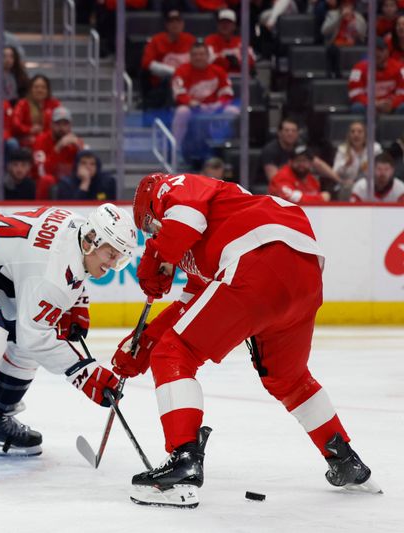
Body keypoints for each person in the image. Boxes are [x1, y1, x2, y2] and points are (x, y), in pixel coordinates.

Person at [116, 171, 380, 508]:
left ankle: (183, 462)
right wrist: (146, 341)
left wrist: (156, 252)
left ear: (152, 205)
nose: (155, 232)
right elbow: (192, 307)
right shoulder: (212, 236)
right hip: (303, 272)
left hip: (257, 258)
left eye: (152, 225)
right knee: (289, 379)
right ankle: (344, 459)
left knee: (173, 355)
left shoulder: (173, 187)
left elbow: (185, 221)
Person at [0, 203, 137, 481]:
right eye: (110, 253)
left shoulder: (79, 230)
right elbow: (35, 336)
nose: (113, 264)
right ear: (92, 240)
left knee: (31, 337)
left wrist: (77, 302)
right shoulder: (52, 274)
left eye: (119, 257)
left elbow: (62, 269)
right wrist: (85, 374)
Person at [170, 42, 239, 159]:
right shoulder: (181, 71)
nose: (198, 57)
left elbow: (227, 93)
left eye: (201, 54)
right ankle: (175, 151)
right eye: (195, 54)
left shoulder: (218, 71)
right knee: (182, 111)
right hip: (193, 109)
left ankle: (227, 147)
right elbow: (179, 93)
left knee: (233, 111)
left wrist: (218, 105)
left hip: (215, 109)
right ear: (190, 56)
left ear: (208, 56)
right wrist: (190, 102)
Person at [258, 117, 339, 191]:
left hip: (295, 186)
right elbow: (274, 180)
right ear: (279, 133)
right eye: (287, 130)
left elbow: (318, 164)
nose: (290, 133)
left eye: (293, 131)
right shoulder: (270, 150)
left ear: (297, 133)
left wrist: (338, 180)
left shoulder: (300, 145)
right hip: (274, 188)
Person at [140, 6, 196, 110]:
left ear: (183, 24)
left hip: (187, 83)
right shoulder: (156, 40)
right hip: (162, 84)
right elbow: (146, 63)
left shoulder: (190, 40)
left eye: (178, 21)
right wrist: (175, 72)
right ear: (166, 25)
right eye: (171, 22)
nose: (175, 25)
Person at [32, 106, 85, 193]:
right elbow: (41, 172)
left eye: (65, 124)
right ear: (51, 124)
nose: (61, 128)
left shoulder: (76, 142)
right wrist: (58, 148)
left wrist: (80, 149)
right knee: (47, 180)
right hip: (47, 185)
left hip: (68, 183)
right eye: (58, 124)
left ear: (70, 126)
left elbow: (86, 169)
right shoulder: (40, 140)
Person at [349, 37, 404, 115]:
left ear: (387, 52)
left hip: (390, 106)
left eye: (380, 50)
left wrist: (391, 104)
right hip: (368, 106)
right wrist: (374, 104)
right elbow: (354, 93)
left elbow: (402, 92)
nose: (377, 53)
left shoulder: (400, 68)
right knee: (357, 107)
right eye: (374, 50)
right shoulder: (358, 68)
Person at [332, 121, 383, 200]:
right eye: (353, 132)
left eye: (360, 132)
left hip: (370, 183)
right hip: (348, 185)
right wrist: (345, 165)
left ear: (365, 134)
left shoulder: (375, 149)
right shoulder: (342, 150)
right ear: (349, 135)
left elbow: (381, 168)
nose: (356, 134)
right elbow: (334, 172)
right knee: (347, 187)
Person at [11, 75, 61, 148]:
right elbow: (15, 124)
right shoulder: (23, 104)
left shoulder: (55, 104)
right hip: (27, 142)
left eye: (43, 87)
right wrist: (29, 129)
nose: (39, 90)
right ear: (31, 89)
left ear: (48, 90)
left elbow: (61, 124)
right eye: (36, 87)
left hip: (50, 142)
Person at [205, 9, 255, 75]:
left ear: (234, 26)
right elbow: (209, 60)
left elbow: (251, 61)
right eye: (222, 22)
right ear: (218, 25)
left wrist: (237, 62)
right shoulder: (210, 40)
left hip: (239, 78)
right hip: (217, 77)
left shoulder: (241, 41)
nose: (225, 25)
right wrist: (228, 62)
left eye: (228, 23)